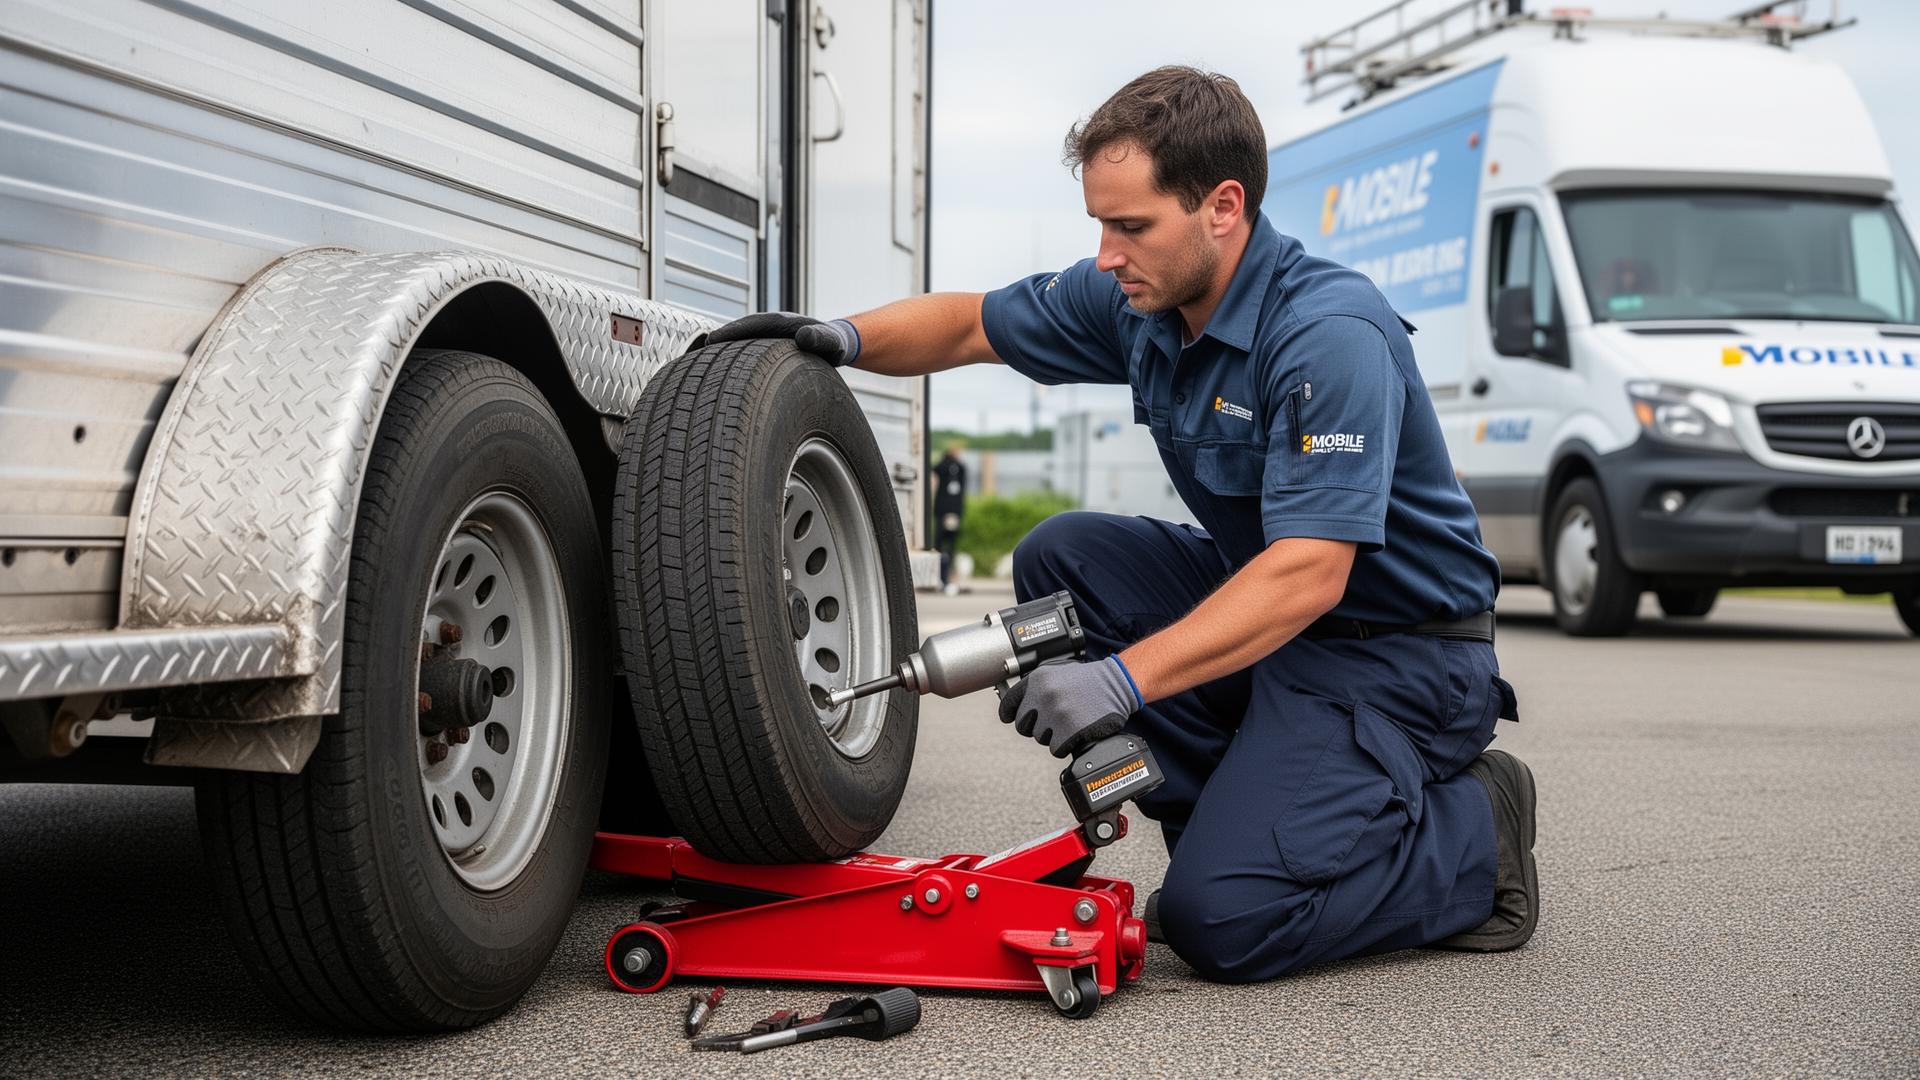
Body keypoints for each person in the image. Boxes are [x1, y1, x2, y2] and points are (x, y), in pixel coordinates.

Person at [693, 66, 1534, 981]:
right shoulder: (1145, 302)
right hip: (1278, 631)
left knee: (1226, 921)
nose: (1106, 253)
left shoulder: (1327, 334)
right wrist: (834, 340)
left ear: (1223, 207)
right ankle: (1240, 814)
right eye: (1100, 223)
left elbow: (1308, 573)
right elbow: (971, 325)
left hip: (1401, 658)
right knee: (1065, 557)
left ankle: (1474, 832)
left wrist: (1121, 683)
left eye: (1131, 226)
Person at [932, 442, 968, 595]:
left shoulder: (959, 468)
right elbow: (937, 468)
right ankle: (941, 577)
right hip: (946, 511)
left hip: (951, 512)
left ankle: (947, 578)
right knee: (941, 544)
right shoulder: (948, 467)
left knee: (948, 545)